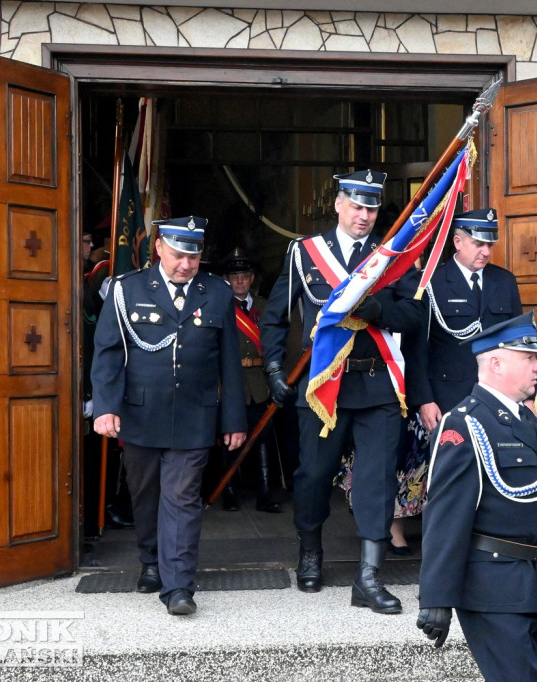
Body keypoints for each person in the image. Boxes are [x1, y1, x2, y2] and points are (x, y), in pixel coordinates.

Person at [260, 169, 421, 613]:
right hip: (322, 386)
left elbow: (414, 316)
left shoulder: (392, 257)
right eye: (356, 206)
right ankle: (310, 551)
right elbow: (275, 317)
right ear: (337, 204)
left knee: (377, 480)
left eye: (371, 207)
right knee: (313, 475)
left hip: (378, 383)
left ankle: (368, 576)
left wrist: (378, 309)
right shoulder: (304, 253)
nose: (364, 215)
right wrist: (274, 367)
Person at [92, 215, 247, 616]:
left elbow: (229, 362)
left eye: (193, 257)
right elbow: (108, 353)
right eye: (179, 255)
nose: (186, 265)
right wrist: (106, 407)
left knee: (182, 497)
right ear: (159, 247)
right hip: (141, 415)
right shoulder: (127, 290)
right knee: (145, 496)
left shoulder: (217, 293)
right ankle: (150, 561)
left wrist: (233, 419)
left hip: (195, 415)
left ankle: (178, 585)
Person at [417, 312, 537, 682]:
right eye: (529, 358)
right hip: (492, 587)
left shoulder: (529, 420)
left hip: (536, 585)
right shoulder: (463, 424)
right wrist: (436, 597)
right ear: (495, 362)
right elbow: (445, 515)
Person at [408, 208, 522, 432]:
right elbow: (416, 349)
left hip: (499, 395)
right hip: (448, 397)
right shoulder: (432, 282)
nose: (486, 251)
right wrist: (424, 400)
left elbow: (517, 342)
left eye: (490, 245)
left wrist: (525, 395)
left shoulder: (505, 281)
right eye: (479, 244)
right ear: (458, 242)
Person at [215, 247, 283, 513]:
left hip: (259, 381)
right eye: (234, 276)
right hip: (230, 382)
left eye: (244, 275)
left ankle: (265, 491)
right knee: (228, 438)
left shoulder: (266, 307)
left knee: (263, 436)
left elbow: (277, 344)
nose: (239, 281)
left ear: (252, 278)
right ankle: (228, 490)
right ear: (227, 280)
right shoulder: (220, 308)